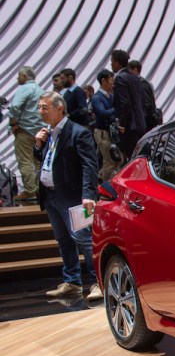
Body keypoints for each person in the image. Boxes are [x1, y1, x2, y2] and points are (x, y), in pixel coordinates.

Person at [33, 91, 102, 301]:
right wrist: (38, 145)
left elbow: (90, 166)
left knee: (84, 239)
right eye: (40, 107)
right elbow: (44, 159)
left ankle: (98, 282)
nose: (40, 112)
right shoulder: (49, 133)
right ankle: (72, 282)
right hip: (52, 196)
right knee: (63, 240)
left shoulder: (78, 133)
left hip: (75, 197)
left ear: (59, 108)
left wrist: (89, 195)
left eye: (45, 107)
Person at [7, 66, 43, 202]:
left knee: (25, 161)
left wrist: (13, 123)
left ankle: (30, 190)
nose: (17, 78)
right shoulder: (40, 90)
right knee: (38, 161)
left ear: (24, 76)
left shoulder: (24, 89)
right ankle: (41, 189)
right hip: (39, 131)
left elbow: (15, 106)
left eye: (19, 75)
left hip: (25, 130)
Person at [110, 49, 146, 160]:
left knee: (131, 158)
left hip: (129, 125)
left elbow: (125, 103)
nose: (111, 64)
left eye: (112, 61)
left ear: (116, 62)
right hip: (139, 122)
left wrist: (122, 124)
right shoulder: (135, 77)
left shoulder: (120, 78)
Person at [92, 69, 119, 181]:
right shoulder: (97, 97)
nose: (112, 84)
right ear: (103, 81)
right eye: (110, 81)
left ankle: (100, 177)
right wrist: (115, 110)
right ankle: (104, 187)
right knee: (109, 160)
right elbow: (102, 113)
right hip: (102, 132)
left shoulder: (110, 96)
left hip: (110, 131)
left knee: (118, 159)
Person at [128, 60, 159, 128]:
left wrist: (139, 122)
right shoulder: (137, 83)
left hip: (145, 124)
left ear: (135, 69)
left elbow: (147, 105)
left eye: (129, 70)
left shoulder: (142, 83)